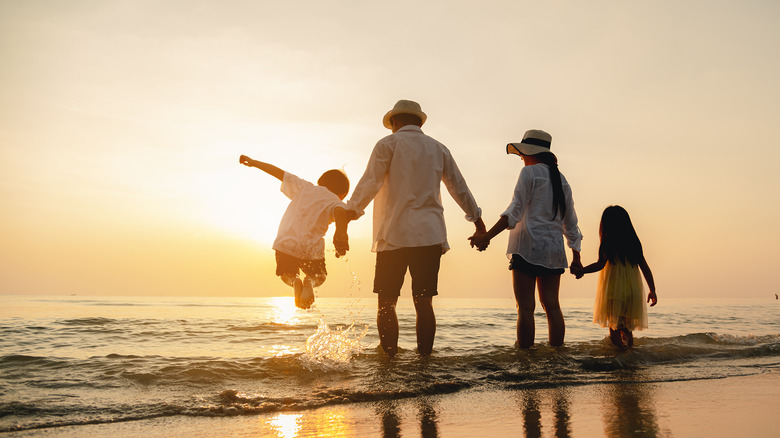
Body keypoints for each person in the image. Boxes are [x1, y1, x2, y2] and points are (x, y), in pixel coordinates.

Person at [342, 99, 485, 357]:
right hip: (429, 235)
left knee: (386, 303)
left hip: (393, 235)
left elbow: (370, 182)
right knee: (424, 302)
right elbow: (458, 187)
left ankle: (390, 360)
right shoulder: (438, 148)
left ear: (394, 122)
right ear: (419, 122)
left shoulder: (387, 144)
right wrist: (477, 221)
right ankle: (425, 361)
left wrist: (351, 212)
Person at [469, 129, 582, 348]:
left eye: (522, 154)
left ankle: (525, 359)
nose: (521, 157)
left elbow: (514, 212)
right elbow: (571, 223)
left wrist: (486, 237)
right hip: (553, 250)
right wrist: (576, 256)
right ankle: (557, 357)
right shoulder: (562, 179)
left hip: (527, 248)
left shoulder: (529, 174)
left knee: (526, 308)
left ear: (530, 153)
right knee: (553, 307)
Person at [239, 155, 351, 309]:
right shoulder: (335, 201)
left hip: (285, 243)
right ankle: (309, 281)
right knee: (320, 276)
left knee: (286, 274)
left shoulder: (305, 187)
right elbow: (340, 211)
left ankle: (295, 281)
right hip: (311, 248)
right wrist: (341, 233)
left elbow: (279, 173)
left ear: (321, 182)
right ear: (342, 194)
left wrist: (254, 162)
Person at [570, 205, 657, 347]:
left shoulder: (608, 242)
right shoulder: (634, 243)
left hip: (614, 291)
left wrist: (582, 271)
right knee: (626, 327)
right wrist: (652, 290)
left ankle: (619, 355)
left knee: (614, 326)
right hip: (632, 292)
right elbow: (645, 268)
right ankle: (629, 353)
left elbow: (600, 264)